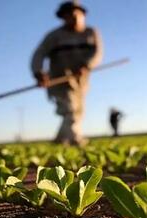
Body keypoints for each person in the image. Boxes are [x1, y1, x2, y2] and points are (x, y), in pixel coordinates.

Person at [31, 1, 103, 145]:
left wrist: (86, 66)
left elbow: (97, 53)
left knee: (78, 111)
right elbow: (39, 55)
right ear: (63, 17)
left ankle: (59, 140)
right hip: (59, 80)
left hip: (80, 81)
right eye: (69, 14)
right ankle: (75, 139)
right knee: (69, 109)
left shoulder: (91, 32)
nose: (74, 17)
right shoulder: (54, 36)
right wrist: (39, 72)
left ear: (83, 15)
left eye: (77, 13)